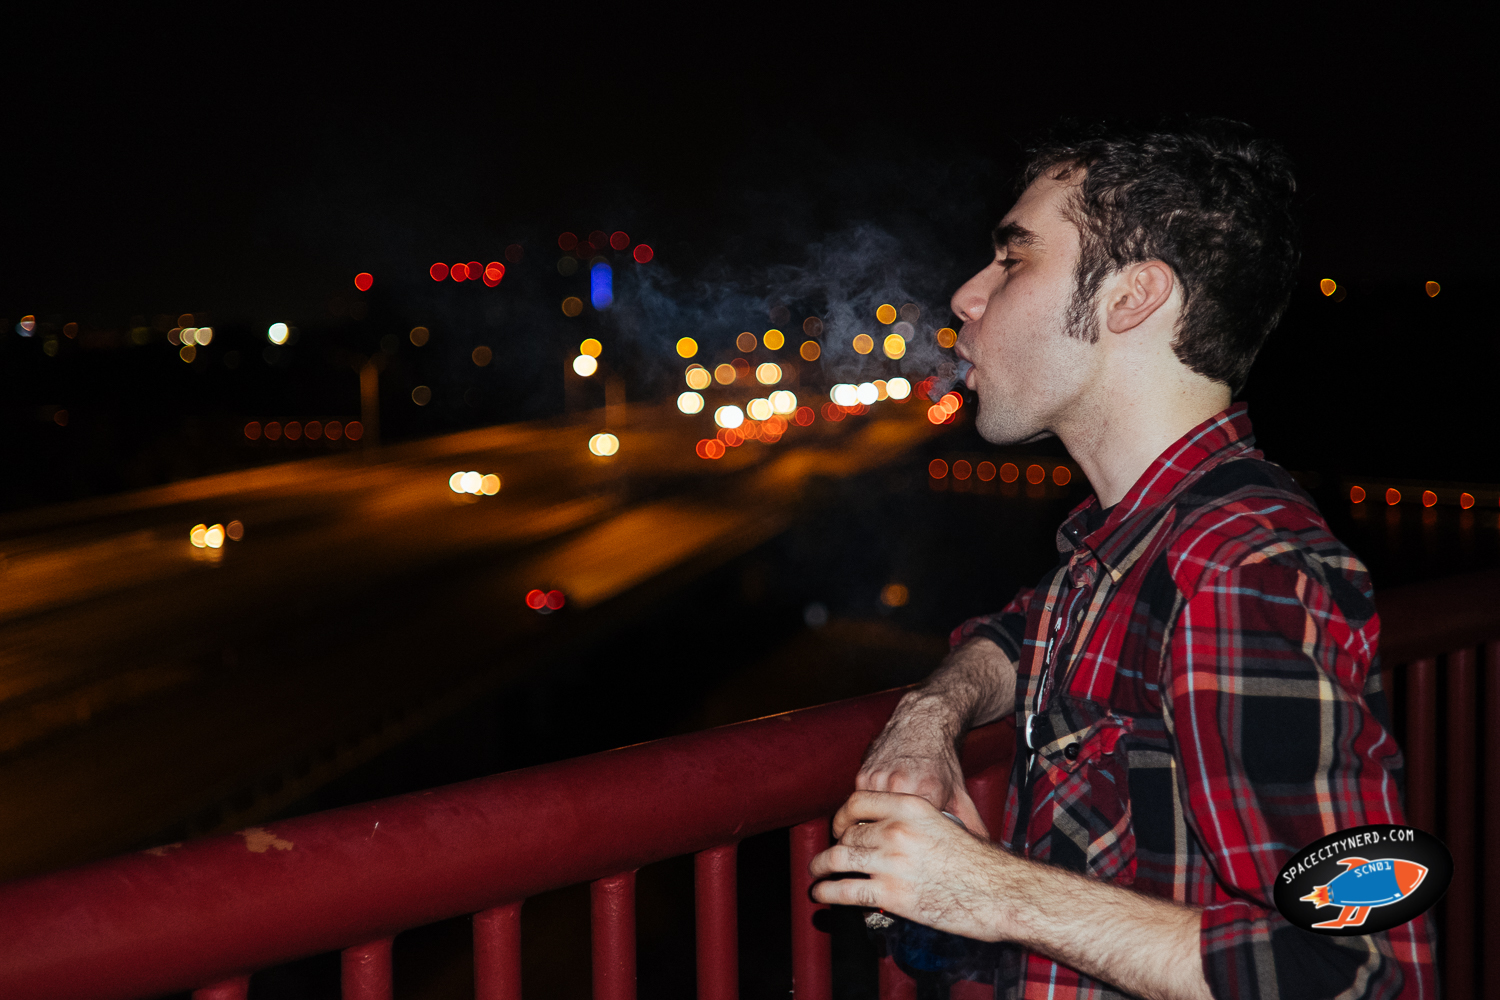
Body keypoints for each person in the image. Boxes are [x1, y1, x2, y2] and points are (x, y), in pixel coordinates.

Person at [808, 120, 1437, 999]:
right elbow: (1019, 634)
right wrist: (931, 712)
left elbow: (1351, 972)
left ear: (1134, 297)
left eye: (1013, 260)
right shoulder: (1128, 545)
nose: (966, 295)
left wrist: (992, 891)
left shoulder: (1236, 570)